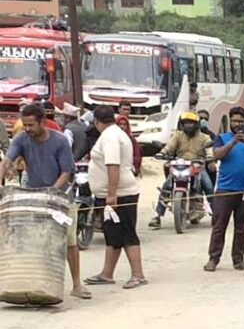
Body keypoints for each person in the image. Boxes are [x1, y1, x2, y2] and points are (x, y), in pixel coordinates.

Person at [0, 103, 89, 299]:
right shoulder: (22, 138)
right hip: (33, 196)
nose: (28, 129)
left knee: (69, 241)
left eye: (31, 125)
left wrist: (52, 194)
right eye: (25, 125)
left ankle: (76, 285)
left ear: (42, 122)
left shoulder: (60, 141)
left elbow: (66, 172)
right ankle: (32, 284)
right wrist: (2, 174)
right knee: (31, 240)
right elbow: (7, 160)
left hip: (62, 197)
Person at [84, 105, 147, 290]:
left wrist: (112, 195)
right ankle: (107, 273)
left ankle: (138, 275)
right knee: (112, 234)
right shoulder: (115, 133)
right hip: (111, 194)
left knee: (127, 233)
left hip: (120, 194)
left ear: (96, 121)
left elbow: (113, 165)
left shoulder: (111, 137)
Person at [205, 107, 244, 272]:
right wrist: (233, 142)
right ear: (230, 122)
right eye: (234, 121)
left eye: (241, 121)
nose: (237, 124)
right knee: (219, 226)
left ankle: (238, 260)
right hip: (225, 190)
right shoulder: (222, 138)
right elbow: (217, 155)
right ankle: (213, 259)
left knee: (241, 228)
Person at [148, 112, 215, 229]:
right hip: (180, 165)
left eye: (191, 123)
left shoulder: (205, 137)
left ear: (197, 124)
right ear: (182, 124)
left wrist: (210, 156)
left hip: (197, 166)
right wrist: (162, 153)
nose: (188, 125)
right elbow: (169, 147)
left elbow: (209, 150)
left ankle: (216, 215)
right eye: (186, 123)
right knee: (166, 187)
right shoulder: (177, 135)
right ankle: (157, 216)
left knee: (208, 186)